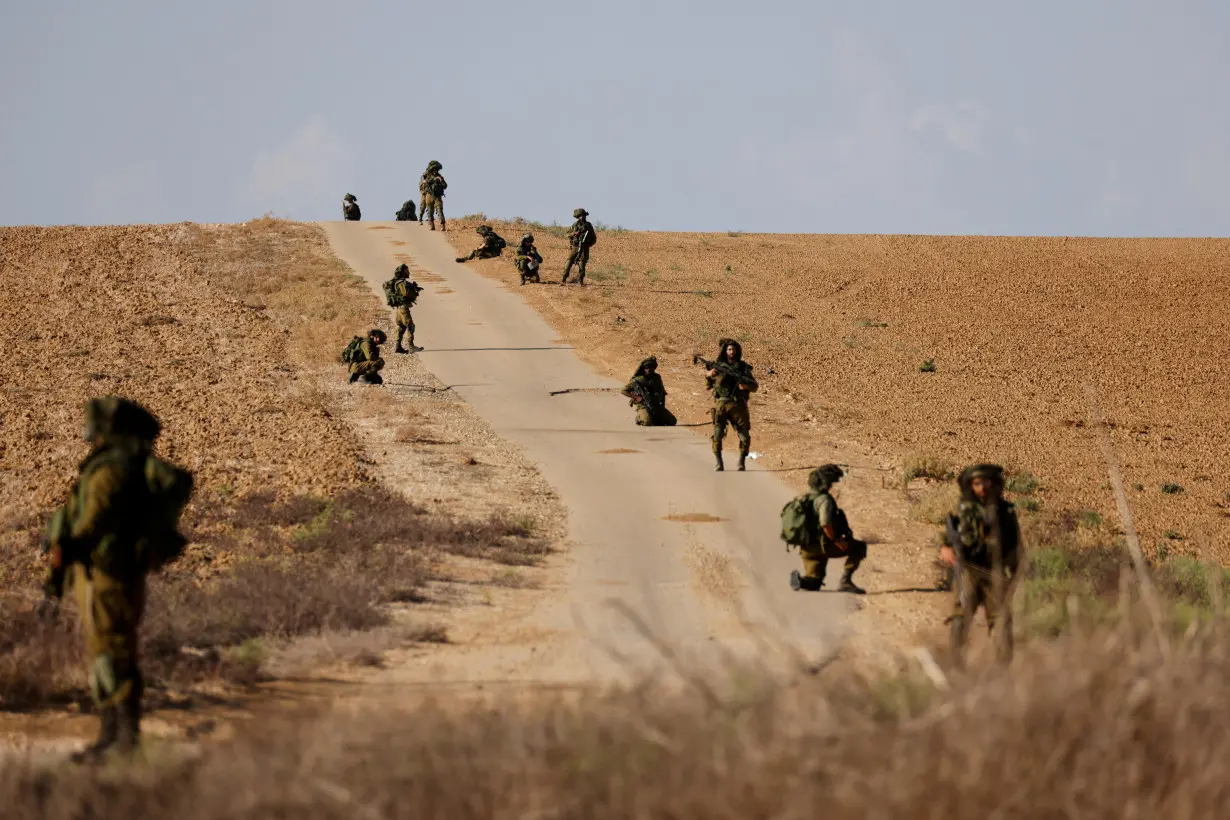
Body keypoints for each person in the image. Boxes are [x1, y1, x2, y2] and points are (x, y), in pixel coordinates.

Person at [41, 396, 193, 763]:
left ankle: (124, 741)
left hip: (110, 576)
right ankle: (111, 736)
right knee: (104, 654)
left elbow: (96, 520)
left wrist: (71, 547)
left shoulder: (112, 469)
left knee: (113, 654)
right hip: (101, 574)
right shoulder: (111, 464)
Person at [941, 463, 1022, 668]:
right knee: (961, 618)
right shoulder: (964, 510)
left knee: (1001, 622)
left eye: (986, 482)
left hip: (996, 573)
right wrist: (947, 549)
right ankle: (955, 666)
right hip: (969, 570)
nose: (982, 487)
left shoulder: (1005, 511)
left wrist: (1013, 572)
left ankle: (1002, 670)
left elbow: (1015, 544)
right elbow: (949, 538)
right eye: (977, 483)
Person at [787, 465, 867, 594]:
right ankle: (845, 582)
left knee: (815, 583)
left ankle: (801, 581)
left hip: (806, 549)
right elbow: (825, 524)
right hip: (823, 546)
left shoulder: (803, 497)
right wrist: (837, 540)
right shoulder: (824, 500)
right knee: (859, 547)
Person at [705, 338, 758, 471]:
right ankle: (718, 462)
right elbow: (708, 385)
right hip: (721, 404)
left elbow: (754, 386)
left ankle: (741, 461)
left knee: (744, 436)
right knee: (717, 434)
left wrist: (745, 386)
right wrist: (709, 375)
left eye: (733, 349)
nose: (731, 352)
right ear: (725, 351)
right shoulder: (718, 366)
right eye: (729, 349)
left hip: (738, 405)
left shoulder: (743, 367)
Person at [621, 357, 677, 426]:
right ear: (644, 369)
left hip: (656, 405)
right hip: (643, 406)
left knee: (672, 421)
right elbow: (623, 390)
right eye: (647, 368)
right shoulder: (637, 380)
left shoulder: (657, 378)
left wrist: (662, 407)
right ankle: (639, 418)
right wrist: (636, 397)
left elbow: (662, 393)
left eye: (651, 368)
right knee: (647, 422)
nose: (649, 370)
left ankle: (654, 419)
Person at [387, 264, 424, 353]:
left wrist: (414, 288)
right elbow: (405, 293)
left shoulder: (399, 282)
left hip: (400, 308)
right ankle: (411, 346)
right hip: (403, 308)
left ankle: (398, 347)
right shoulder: (401, 282)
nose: (408, 272)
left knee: (402, 326)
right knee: (410, 326)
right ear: (402, 272)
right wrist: (414, 292)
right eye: (406, 271)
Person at [560, 208, 596, 285]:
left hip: (584, 248)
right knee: (568, 264)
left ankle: (580, 282)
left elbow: (594, 239)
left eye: (583, 215)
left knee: (582, 266)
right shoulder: (575, 225)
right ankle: (563, 280)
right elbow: (567, 234)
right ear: (577, 217)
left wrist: (588, 245)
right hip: (575, 247)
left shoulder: (588, 225)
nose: (582, 217)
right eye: (580, 216)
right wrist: (574, 233)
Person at [419, 161, 447, 231]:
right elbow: (422, 182)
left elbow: (445, 186)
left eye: (436, 169)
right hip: (429, 195)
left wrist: (441, 180)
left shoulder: (440, 177)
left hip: (437, 196)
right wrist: (424, 182)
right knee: (430, 211)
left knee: (439, 210)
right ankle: (431, 225)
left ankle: (443, 226)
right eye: (434, 169)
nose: (435, 171)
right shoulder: (427, 176)